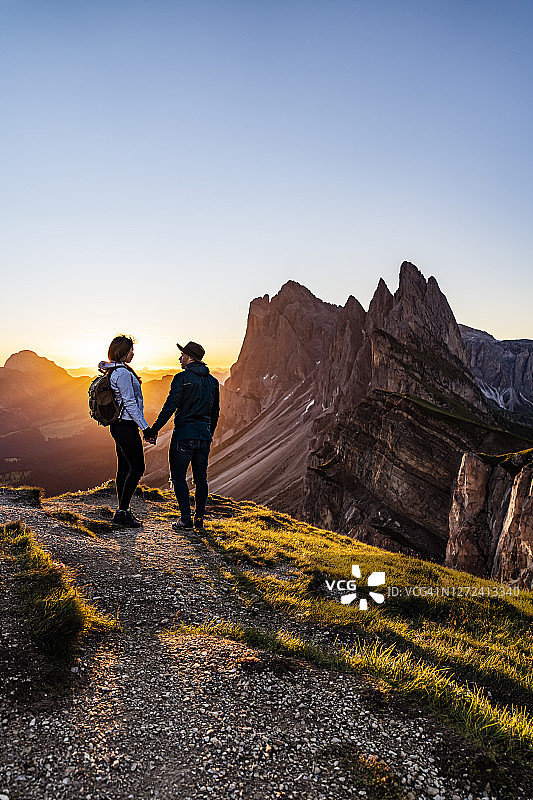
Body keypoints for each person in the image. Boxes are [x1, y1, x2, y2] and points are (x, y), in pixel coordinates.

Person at [143, 341, 219, 532]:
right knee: (201, 479)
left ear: (189, 357)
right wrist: (209, 432)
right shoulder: (213, 382)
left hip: (183, 436)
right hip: (203, 437)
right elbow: (215, 412)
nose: (179, 358)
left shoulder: (181, 378)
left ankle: (185, 519)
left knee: (178, 477)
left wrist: (153, 430)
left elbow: (170, 407)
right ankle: (199, 519)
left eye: (182, 355)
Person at [98, 335, 151, 528]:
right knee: (137, 467)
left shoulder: (115, 370)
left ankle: (123, 510)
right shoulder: (122, 373)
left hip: (119, 426)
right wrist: (145, 427)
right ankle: (122, 512)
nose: (133, 353)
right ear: (123, 351)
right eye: (130, 350)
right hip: (126, 426)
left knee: (125, 467)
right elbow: (129, 403)